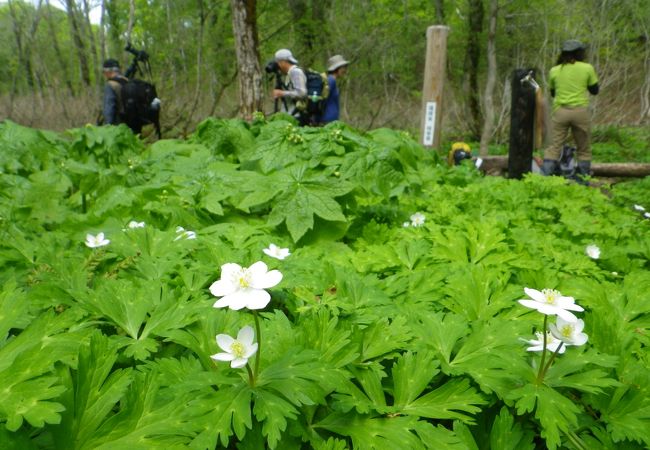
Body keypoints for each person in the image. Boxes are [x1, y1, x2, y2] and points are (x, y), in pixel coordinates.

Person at [542, 39, 599, 181]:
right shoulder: (587, 68)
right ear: (580, 53)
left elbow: (553, 93)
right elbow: (594, 90)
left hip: (561, 111)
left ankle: (544, 180)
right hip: (580, 111)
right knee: (583, 148)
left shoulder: (554, 70)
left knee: (554, 147)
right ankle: (582, 181)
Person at [271, 49, 307, 122]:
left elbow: (302, 93)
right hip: (290, 114)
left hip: (296, 115)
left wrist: (282, 93)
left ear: (283, 62)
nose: (278, 65)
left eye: (278, 62)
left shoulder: (296, 72)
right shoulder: (289, 74)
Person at [101, 58, 131, 129]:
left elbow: (109, 110)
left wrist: (107, 128)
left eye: (104, 72)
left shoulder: (110, 85)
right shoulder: (128, 82)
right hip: (132, 126)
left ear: (108, 71)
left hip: (118, 128)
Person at [321, 54, 349, 124]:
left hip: (331, 119)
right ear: (337, 68)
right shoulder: (331, 80)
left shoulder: (331, 80)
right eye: (343, 68)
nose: (345, 70)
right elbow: (323, 98)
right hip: (328, 120)